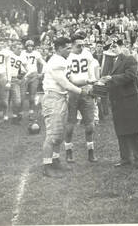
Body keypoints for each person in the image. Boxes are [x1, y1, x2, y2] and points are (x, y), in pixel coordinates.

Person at [42, 37, 92, 177]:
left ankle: (55, 160)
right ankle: (47, 167)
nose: (69, 51)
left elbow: (73, 80)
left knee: (60, 133)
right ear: (58, 48)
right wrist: (82, 91)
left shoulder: (62, 61)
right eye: (67, 48)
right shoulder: (55, 62)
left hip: (60, 98)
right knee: (52, 134)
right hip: (53, 98)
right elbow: (65, 84)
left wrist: (88, 80)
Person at [101, 39, 138, 170]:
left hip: (129, 100)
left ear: (120, 47)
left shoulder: (129, 59)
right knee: (120, 130)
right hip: (116, 100)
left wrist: (112, 78)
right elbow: (104, 76)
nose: (112, 48)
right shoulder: (109, 61)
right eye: (109, 47)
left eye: (114, 46)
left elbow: (131, 76)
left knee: (133, 131)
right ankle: (125, 159)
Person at [65, 33, 98, 163]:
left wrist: (91, 85)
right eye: (79, 45)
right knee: (70, 125)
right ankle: (68, 151)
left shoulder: (87, 54)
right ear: (72, 45)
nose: (82, 47)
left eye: (83, 45)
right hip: (72, 91)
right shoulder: (67, 56)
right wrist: (86, 81)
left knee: (90, 125)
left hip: (86, 90)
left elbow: (91, 72)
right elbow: (69, 79)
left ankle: (90, 151)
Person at [20, 39, 46, 121]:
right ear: (26, 46)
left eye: (31, 46)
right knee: (22, 95)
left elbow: (43, 63)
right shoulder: (22, 53)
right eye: (28, 46)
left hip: (34, 75)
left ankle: (31, 113)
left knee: (32, 95)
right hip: (25, 74)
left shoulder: (36, 53)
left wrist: (41, 73)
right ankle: (20, 114)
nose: (30, 48)